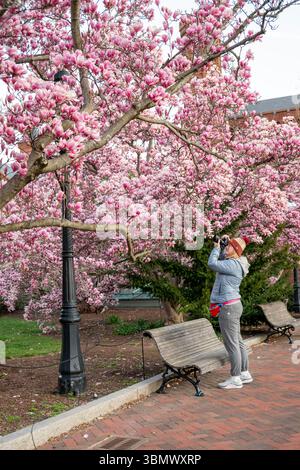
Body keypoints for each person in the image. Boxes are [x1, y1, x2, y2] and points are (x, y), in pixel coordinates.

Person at [208, 235, 253, 390]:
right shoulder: (234, 263)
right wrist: (221, 245)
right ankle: (244, 373)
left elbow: (213, 263)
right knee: (238, 341)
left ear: (235, 250)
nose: (225, 248)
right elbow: (221, 259)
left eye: (228, 246)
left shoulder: (233, 264)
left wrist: (215, 248)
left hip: (228, 308)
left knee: (232, 343)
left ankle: (235, 378)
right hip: (233, 305)